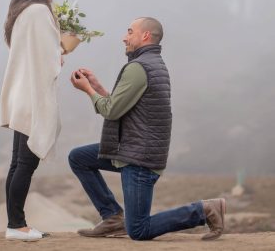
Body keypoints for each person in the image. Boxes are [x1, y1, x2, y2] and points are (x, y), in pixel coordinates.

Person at [69, 17, 226, 241]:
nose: (124, 37)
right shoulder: (152, 63)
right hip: (133, 148)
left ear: (145, 36)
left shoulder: (138, 68)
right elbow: (121, 106)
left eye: (130, 32)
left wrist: (86, 90)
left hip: (138, 158)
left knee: (139, 230)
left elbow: (111, 111)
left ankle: (204, 210)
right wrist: (97, 87)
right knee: (79, 158)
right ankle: (113, 217)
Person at [0, 0, 62, 241]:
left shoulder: (22, 11)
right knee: (25, 163)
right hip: (32, 97)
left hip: (21, 95)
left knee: (17, 162)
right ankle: (17, 225)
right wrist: (61, 54)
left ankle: (16, 223)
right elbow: (48, 58)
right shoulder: (38, 12)